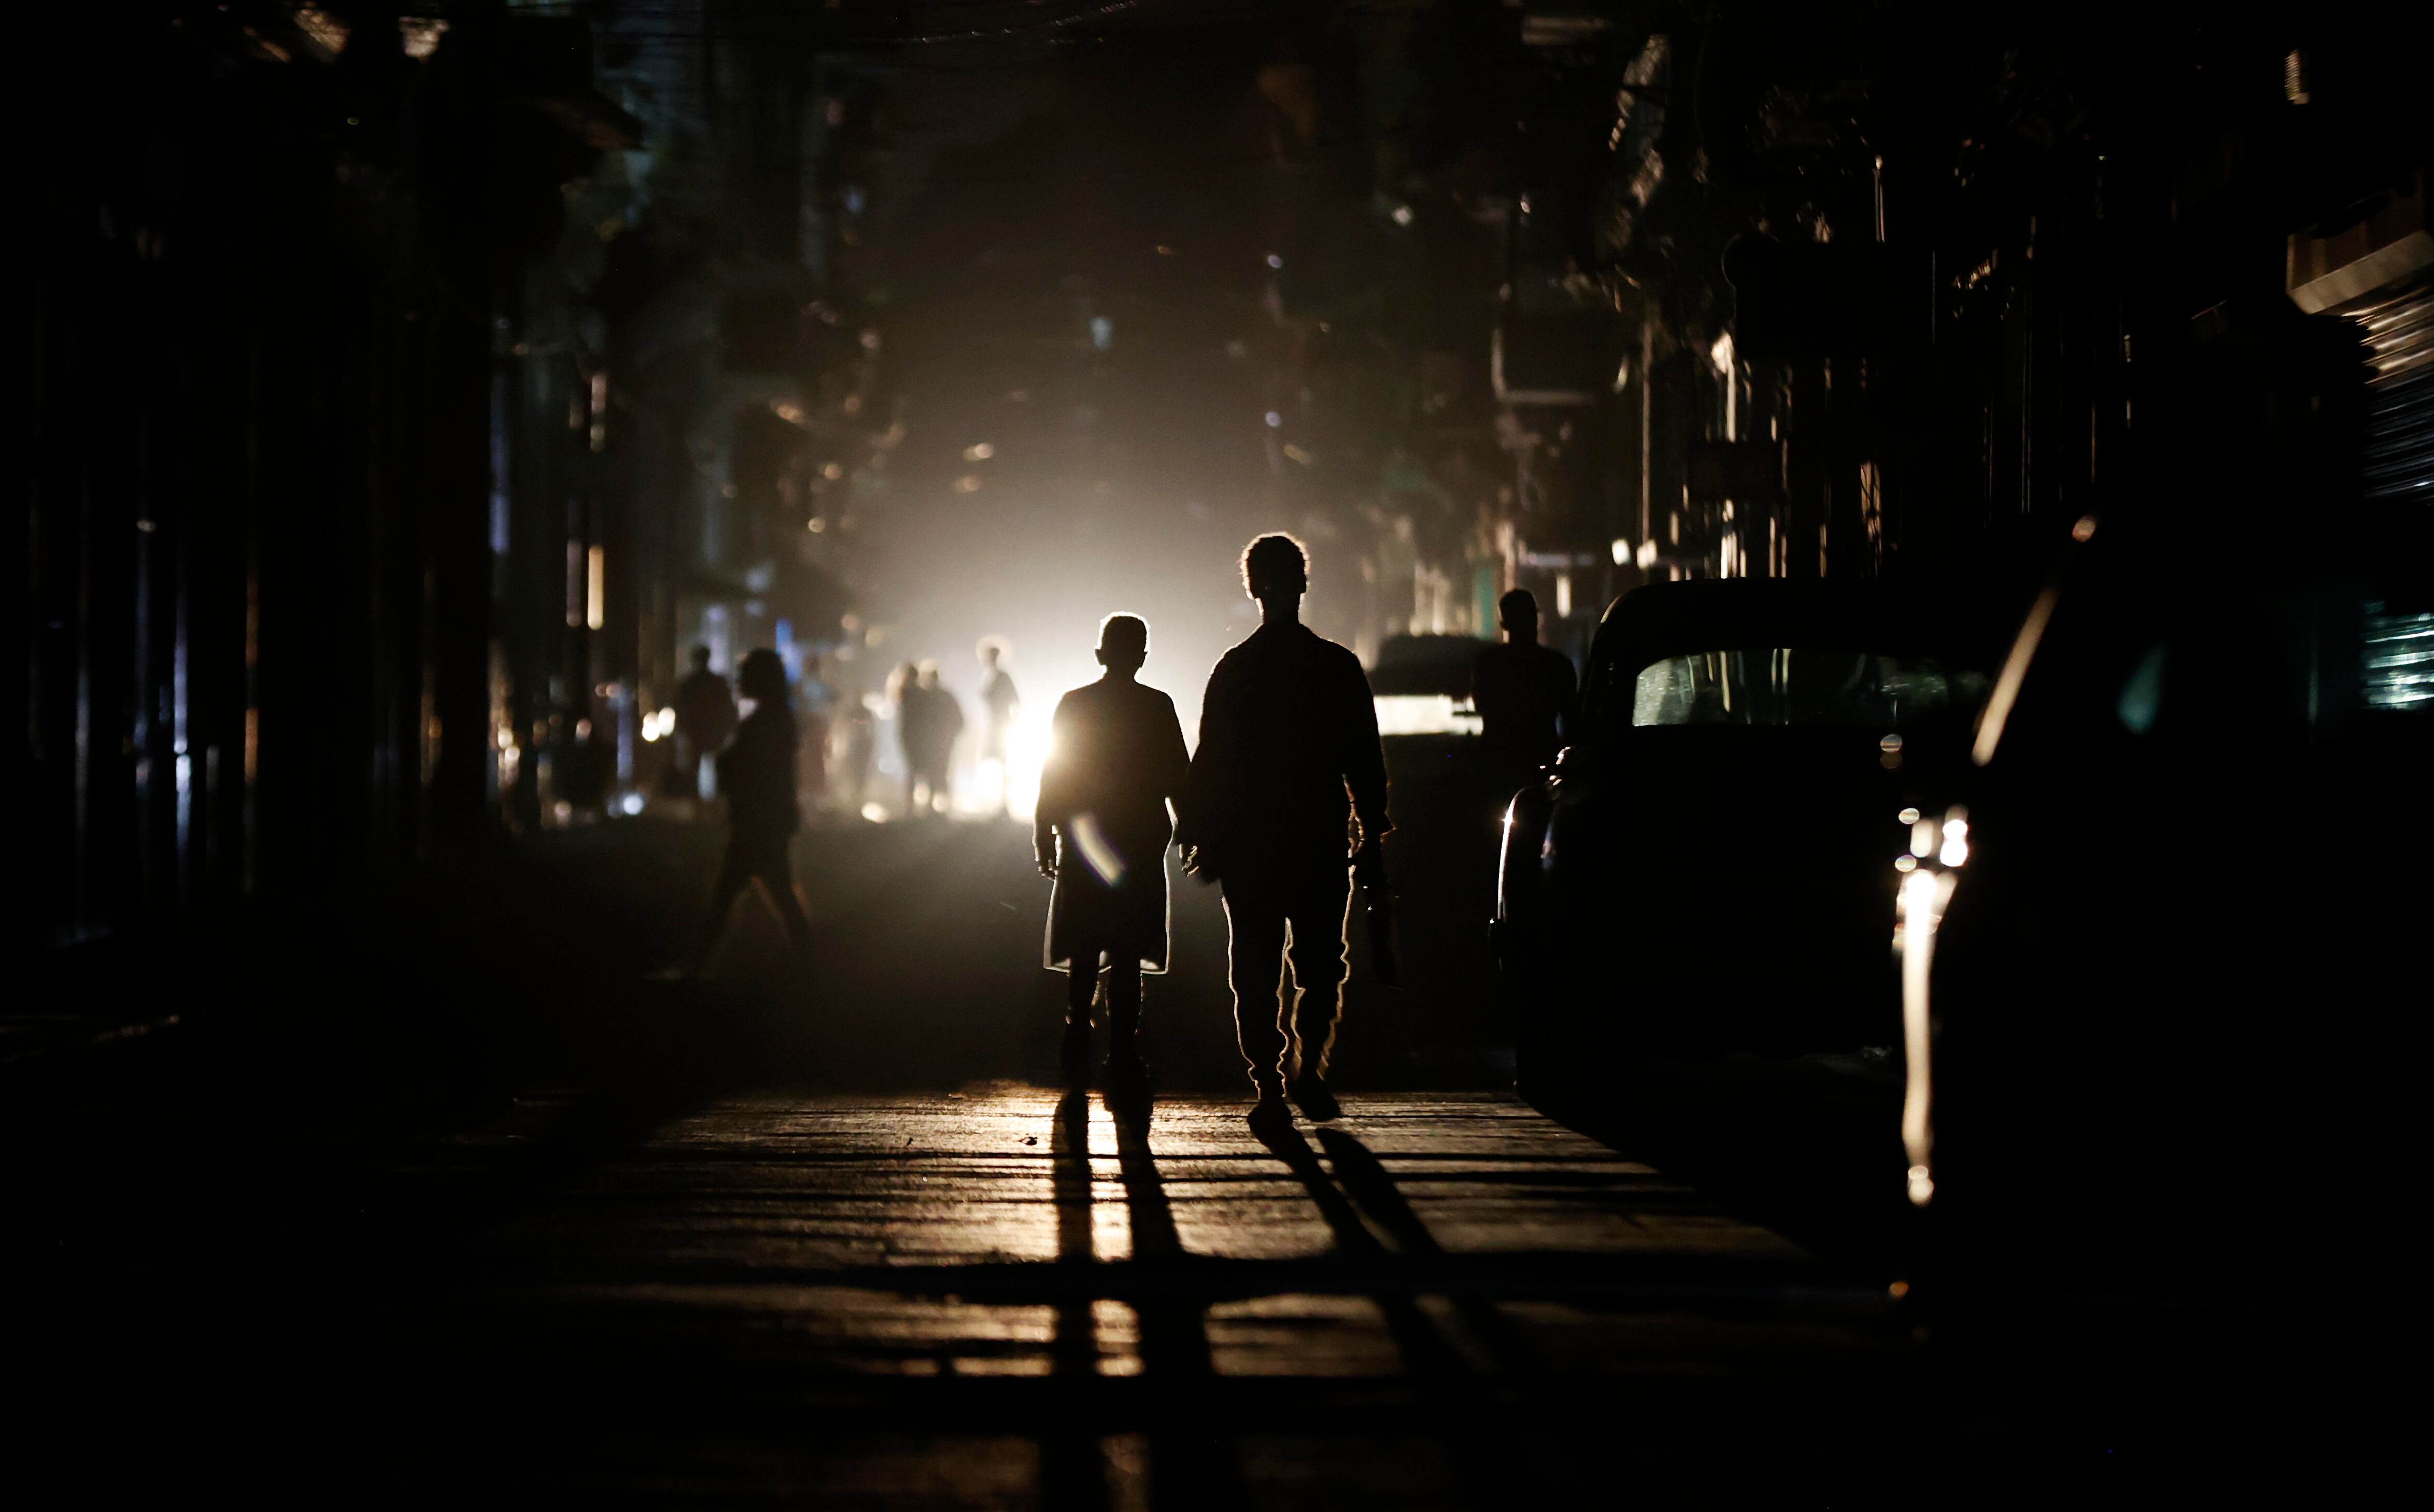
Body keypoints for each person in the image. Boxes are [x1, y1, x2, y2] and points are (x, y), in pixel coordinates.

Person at [1180, 534, 1390, 1129]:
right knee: (1321, 962)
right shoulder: (1335, 666)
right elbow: (1363, 757)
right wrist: (1371, 829)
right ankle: (1307, 1069)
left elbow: (1211, 759)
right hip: (1319, 838)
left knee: (1254, 964)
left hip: (1250, 845)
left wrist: (1197, 829)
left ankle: (1269, 1079)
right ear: (1303, 584)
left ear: (1252, 589)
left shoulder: (1236, 669)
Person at [1034, 615, 1190, 1095]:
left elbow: (1054, 775)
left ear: (1100, 655)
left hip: (1084, 842)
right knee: (1128, 949)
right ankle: (1122, 1052)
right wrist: (1193, 829)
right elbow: (1178, 777)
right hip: (1140, 845)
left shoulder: (1074, 705)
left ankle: (1076, 1038)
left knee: (1084, 947)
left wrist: (1044, 830)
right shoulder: (1157, 706)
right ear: (1142, 657)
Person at [675, 648, 816, 975]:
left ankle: (698, 967)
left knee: (733, 896)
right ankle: (808, 964)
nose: (740, 681)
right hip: (767, 820)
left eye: (746, 675)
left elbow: (744, 768)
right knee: (771, 894)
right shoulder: (777, 718)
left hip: (758, 821)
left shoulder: (765, 722)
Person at [1473, 588, 1577, 786]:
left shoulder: (1488, 664)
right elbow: (1571, 719)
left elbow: (1482, 706)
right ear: (1536, 621)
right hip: (1543, 764)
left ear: (1505, 623)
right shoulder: (1557, 665)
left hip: (1498, 765)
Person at [673, 645, 738, 802]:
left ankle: (698, 802)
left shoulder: (689, 684)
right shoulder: (716, 683)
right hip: (711, 732)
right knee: (714, 766)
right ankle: (711, 802)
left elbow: (681, 709)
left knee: (695, 768)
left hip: (698, 732)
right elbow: (729, 708)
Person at [911, 660, 964, 814]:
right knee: (939, 772)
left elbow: (959, 721)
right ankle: (939, 806)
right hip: (938, 742)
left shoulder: (929, 698)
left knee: (936, 772)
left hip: (937, 742)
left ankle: (937, 806)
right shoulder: (940, 697)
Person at [977, 637, 1021, 816]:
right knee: (999, 762)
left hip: (1000, 725)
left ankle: (1004, 803)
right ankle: (1001, 801)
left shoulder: (1001, 677)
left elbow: (1017, 700)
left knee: (1002, 762)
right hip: (996, 724)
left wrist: (1010, 721)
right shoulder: (994, 676)